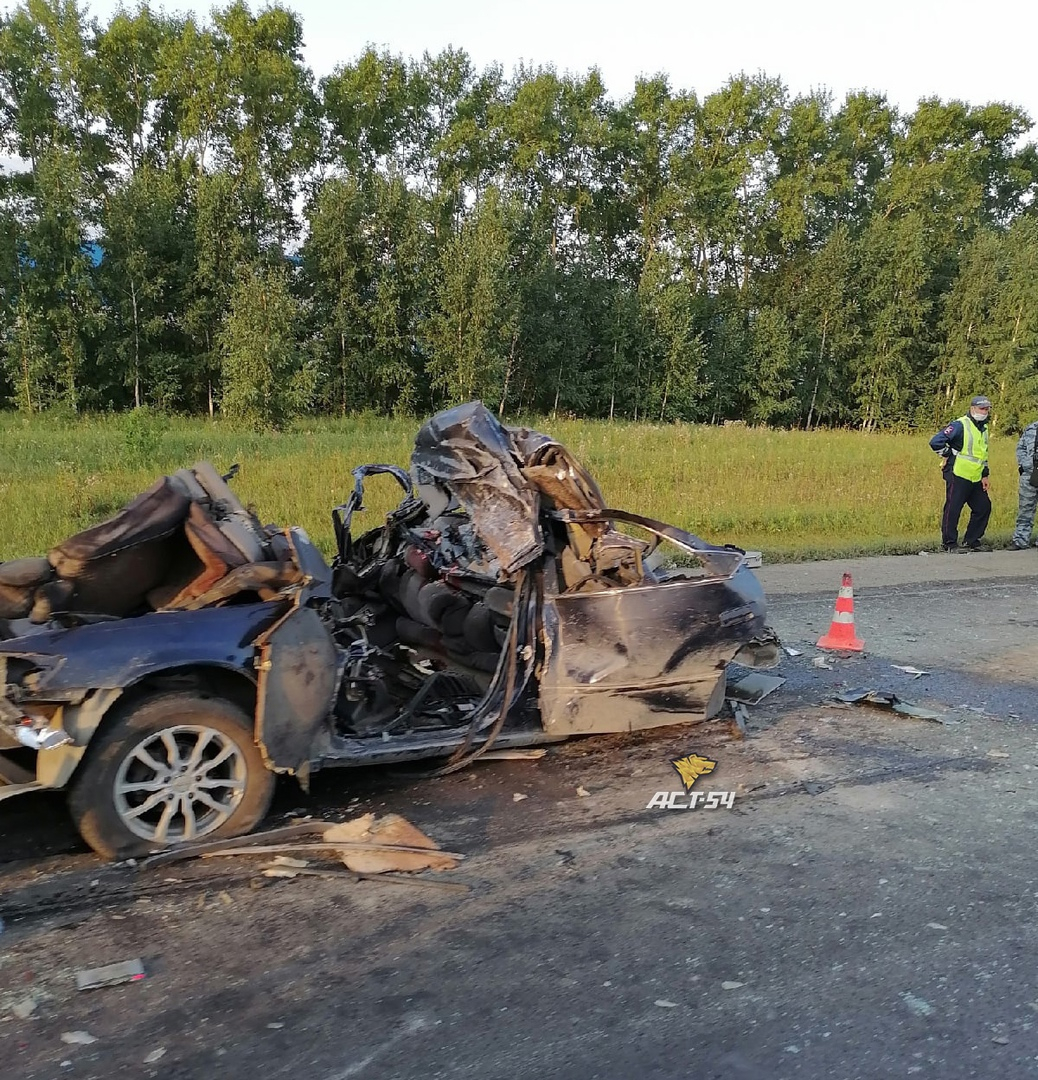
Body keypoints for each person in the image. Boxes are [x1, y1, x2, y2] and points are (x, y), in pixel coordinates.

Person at [929, 395, 992, 552]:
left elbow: (982, 454)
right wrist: (948, 454)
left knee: (983, 507)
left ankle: (971, 541)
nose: (984, 412)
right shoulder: (960, 425)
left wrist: (985, 475)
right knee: (953, 509)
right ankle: (949, 544)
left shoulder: (984, 428)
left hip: (975, 476)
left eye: (987, 409)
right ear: (972, 408)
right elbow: (936, 441)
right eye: (982, 408)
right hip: (957, 473)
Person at [1011, 418, 1038, 549]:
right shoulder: (1031, 428)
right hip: (1029, 474)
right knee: (1025, 509)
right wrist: (1023, 465)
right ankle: (1020, 540)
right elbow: (1021, 447)